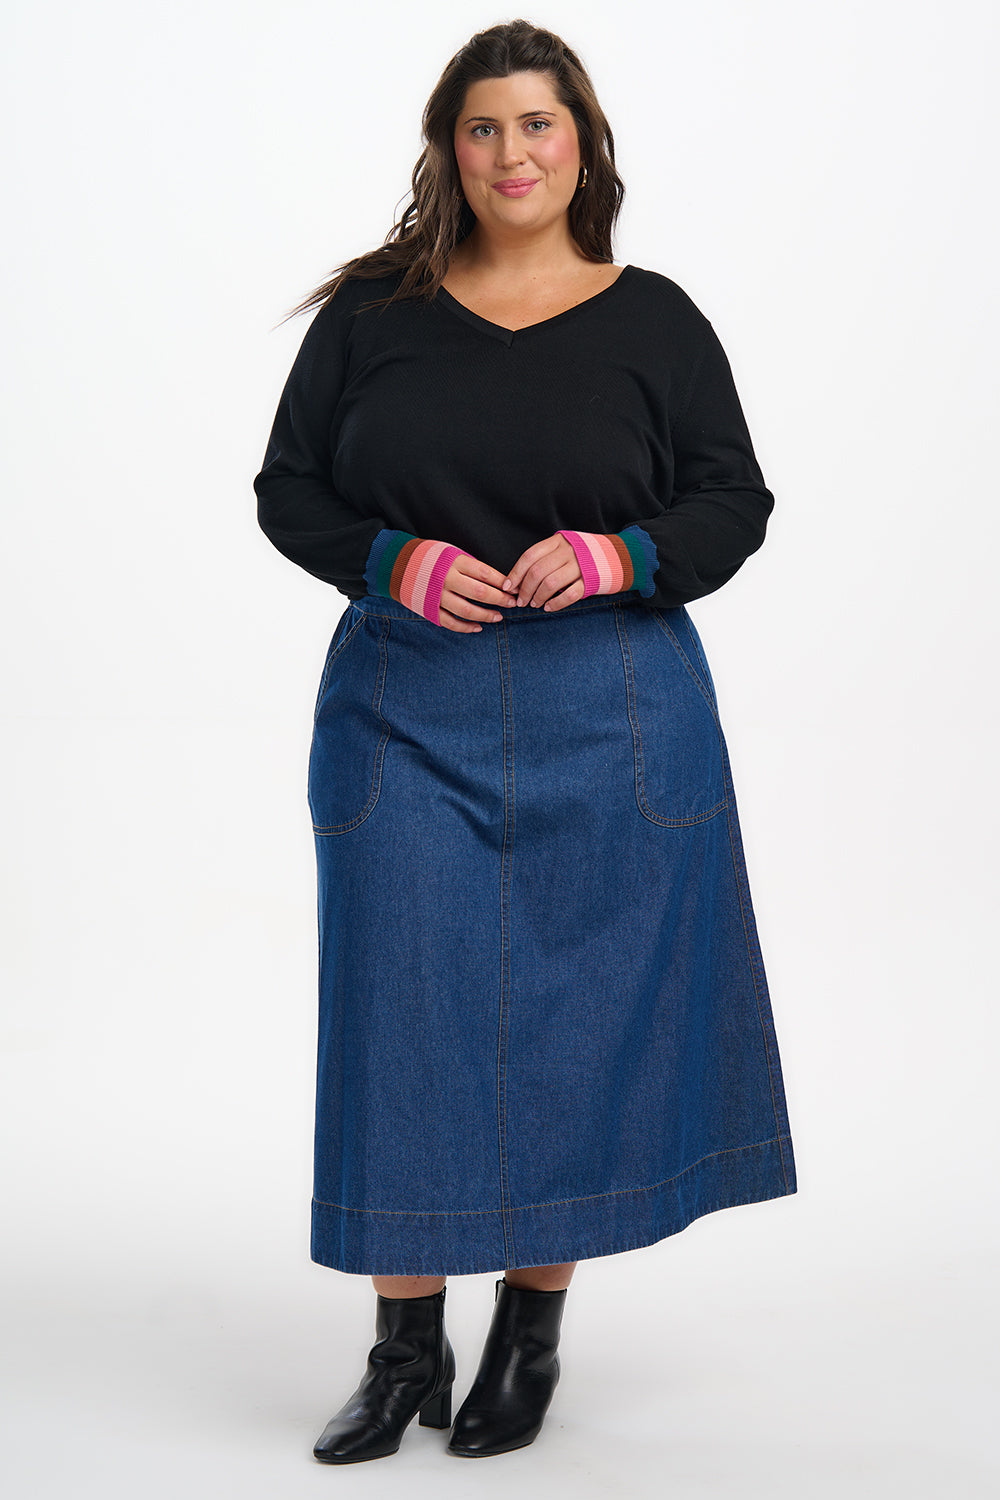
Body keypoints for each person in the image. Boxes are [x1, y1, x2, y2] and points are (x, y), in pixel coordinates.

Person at [253, 17, 796, 1465]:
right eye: (484, 128)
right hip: (404, 705)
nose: (511, 153)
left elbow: (731, 503)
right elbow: (286, 491)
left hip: (607, 712)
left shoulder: (656, 320)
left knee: (582, 1022)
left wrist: (622, 556)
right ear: (449, 148)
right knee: (401, 1009)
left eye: (538, 125)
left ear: (584, 145)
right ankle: (401, 1346)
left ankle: (531, 1334)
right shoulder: (372, 318)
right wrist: (390, 563)